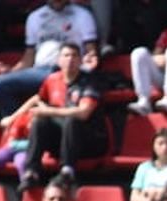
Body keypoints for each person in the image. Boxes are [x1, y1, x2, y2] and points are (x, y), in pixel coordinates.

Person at [15, 41, 108, 191]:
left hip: (88, 141)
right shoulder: (52, 79)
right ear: (59, 60)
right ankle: (31, 172)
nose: (70, 59)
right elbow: (37, 101)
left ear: (80, 60)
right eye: (66, 55)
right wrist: (13, 117)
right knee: (40, 122)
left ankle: (67, 172)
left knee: (72, 119)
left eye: (74, 56)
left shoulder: (90, 81)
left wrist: (49, 111)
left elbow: (84, 113)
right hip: (61, 141)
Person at [0, 0, 97, 117]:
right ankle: (19, 126)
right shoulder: (35, 17)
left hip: (68, 69)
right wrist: (10, 72)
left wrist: (90, 59)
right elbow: (29, 57)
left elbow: (90, 51)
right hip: (40, 70)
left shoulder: (82, 15)